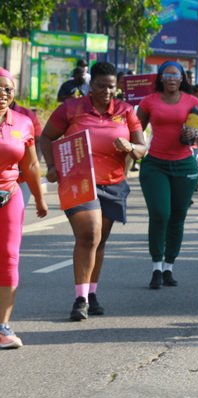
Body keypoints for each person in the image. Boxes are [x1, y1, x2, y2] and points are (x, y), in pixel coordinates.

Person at [41, 62, 147, 320]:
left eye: (111, 86)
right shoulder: (72, 108)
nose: (107, 91)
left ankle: (91, 293)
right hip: (79, 182)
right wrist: (53, 166)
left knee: (99, 241)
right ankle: (80, 299)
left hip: (113, 183)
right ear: (92, 85)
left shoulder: (125, 111)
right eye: (101, 86)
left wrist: (130, 146)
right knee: (89, 234)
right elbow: (46, 137)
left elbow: (143, 148)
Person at [136, 61, 198, 289]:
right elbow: (136, 130)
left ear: (182, 79)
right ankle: (156, 267)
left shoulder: (193, 102)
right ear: (160, 77)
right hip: (155, 165)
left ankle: (169, 266)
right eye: (167, 74)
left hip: (184, 165)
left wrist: (196, 132)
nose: (171, 78)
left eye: (175, 75)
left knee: (178, 216)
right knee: (160, 213)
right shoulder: (149, 101)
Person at [0, 68, 48, 348]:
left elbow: (30, 164)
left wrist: (40, 199)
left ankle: (3, 326)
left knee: (8, 257)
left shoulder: (23, 122)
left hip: (10, 193)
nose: (3, 94)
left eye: (7, 89)